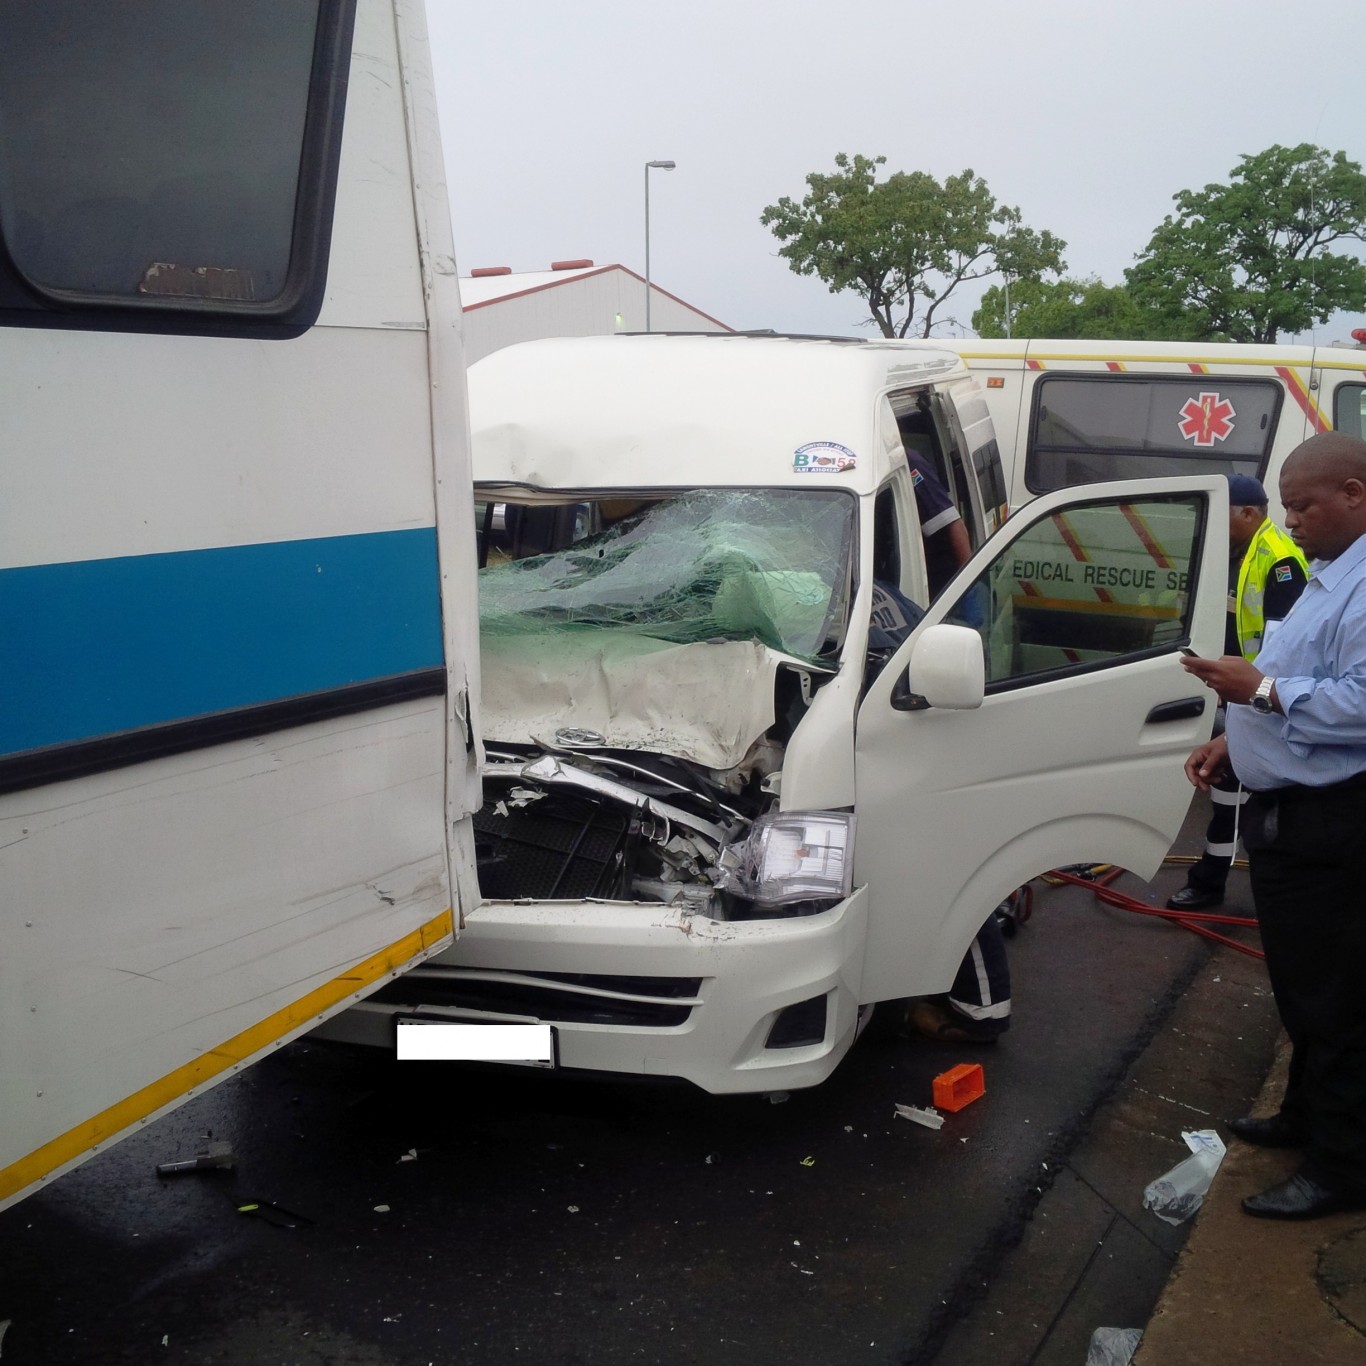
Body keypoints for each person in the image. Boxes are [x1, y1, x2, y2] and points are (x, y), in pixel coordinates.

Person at [1181, 431, 1366, 1220]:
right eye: (1286, 506)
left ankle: (1344, 1164)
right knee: (1304, 989)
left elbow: (1358, 702)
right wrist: (1238, 738)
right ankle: (1307, 1117)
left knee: (1337, 1001)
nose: (1289, 522)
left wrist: (1256, 696)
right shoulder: (1335, 573)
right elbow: (1304, 677)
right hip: (1292, 816)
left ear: (1355, 493)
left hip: (1334, 824)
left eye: (1303, 505)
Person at [1167, 474, 1308, 910]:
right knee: (1231, 791)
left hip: (1260, 695)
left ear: (1248, 513)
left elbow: (1285, 643)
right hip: (1239, 691)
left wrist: (1255, 694)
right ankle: (1214, 878)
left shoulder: (1279, 560)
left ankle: (1210, 882)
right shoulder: (1237, 551)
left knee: (1236, 795)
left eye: (1222, 515)